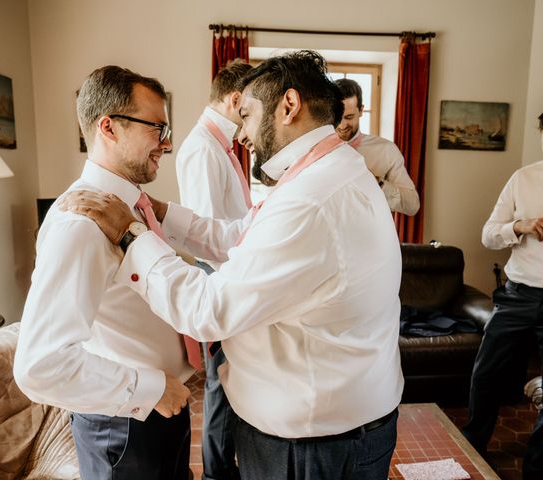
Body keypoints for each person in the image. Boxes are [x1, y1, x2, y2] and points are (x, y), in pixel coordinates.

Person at [62, 50, 404, 480]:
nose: (242, 132)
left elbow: (209, 312)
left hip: (312, 445)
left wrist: (133, 236)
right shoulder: (331, 170)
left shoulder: (311, 200)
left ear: (289, 106)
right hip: (337, 421)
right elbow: (243, 235)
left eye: (246, 115)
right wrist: (162, 214)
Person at [14, 65, 195, 480]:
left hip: (161, 408)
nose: (166, 144)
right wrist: (151, 390)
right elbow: (39, 364)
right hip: (127, 426)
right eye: (156, 128)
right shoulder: (80, 225)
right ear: (108, 127)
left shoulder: (134, 208)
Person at [463, 98, 543, 480]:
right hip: (519, 294)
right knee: (485, 375)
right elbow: (488, 234)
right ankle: (471, 447)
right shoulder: (523, 178)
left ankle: (538, 470)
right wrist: (518, 227)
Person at [176, 59, 252, 480]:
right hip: (218, 277)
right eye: (252, 106)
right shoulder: (203, 148)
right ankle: (216, 474)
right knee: (220, 384)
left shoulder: (220, 145)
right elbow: (205, 233)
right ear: (236, 99)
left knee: (230, 379)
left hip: (230, 273)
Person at [334, 78, 419, 216]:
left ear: (361, 110)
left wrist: (378, 184)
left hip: (370, 235)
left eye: (349, 117)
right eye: (337, 117)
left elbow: (412, 206)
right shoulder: (315, 149)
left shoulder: (386, 150)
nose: (342, 125)